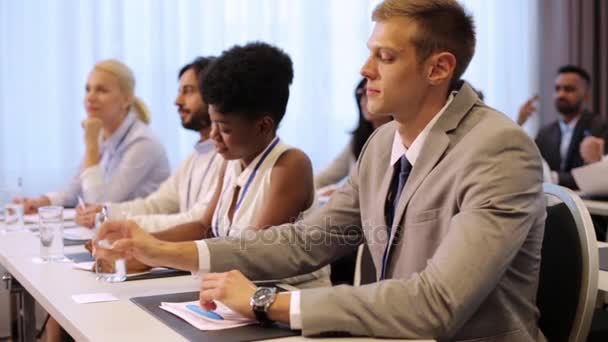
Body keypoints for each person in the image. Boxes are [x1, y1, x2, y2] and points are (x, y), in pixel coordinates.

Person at [96, 0, 546, 339]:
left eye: (385, 57)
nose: (364, 69)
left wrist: (266, 300)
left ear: (439, 68)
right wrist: (165, 252)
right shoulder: (384, 142)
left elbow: (437, 302)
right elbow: (308, 242)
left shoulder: (498, 150)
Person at [97, 42, 330, 288]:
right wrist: (139, 245)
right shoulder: (231, 160)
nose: (214, 136)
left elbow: (253, 253)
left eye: (225, 128)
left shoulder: (291, 165)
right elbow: (203, 227)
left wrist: (154, 254)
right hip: (236, 297)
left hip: (285, 301)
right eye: (212, 123)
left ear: (264, 126)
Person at [74, 57, 224, 233]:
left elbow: (197, 220)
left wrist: (120, 222)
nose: (177, 101)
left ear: (213, 97)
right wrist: (108, 212)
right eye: (179, 91)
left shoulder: (144, 142)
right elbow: (156, 204)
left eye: (188, 91)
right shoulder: (195, 157)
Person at [19, 59, 170, 214]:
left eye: (101, 90)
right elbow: (75, 189)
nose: (90, 97)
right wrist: (43, 202)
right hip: (114, 232)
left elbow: (98, 205)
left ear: (126, 99)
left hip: (145, 234)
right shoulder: (103, 135)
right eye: (88, 89)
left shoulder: (143, 143)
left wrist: (91, 146)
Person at [517, 65, 605, 189]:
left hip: (586, 204)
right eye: (557, 89)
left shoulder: (599, 128)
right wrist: (519, 124)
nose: (561, 94)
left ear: (586, 95)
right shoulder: (545, 132)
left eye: (569, 89)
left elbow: (595, 174)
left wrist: (553, 178)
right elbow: (531, 164)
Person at [314, 78, 391, 190]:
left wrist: (339, 192)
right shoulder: (358, 138)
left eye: (371, 93)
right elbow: (325, 177)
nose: (364, 100)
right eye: (362, 94)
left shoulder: (399, 140)